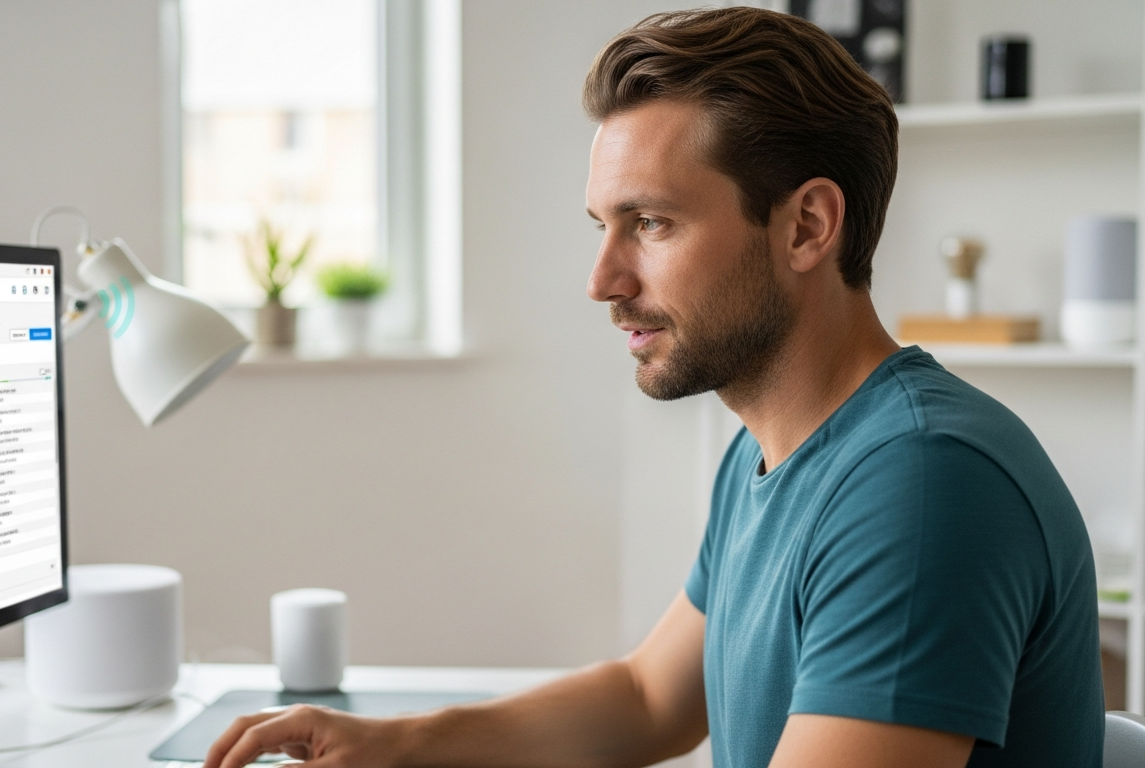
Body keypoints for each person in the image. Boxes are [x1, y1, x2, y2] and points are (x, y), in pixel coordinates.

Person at [206, 8, 1104, 768]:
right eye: (605, 224)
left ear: (807, 226)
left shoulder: (920, 483)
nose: (602, 279)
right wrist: (395, 744)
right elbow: (647, 697)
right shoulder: (771, 450)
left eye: (652, 223)